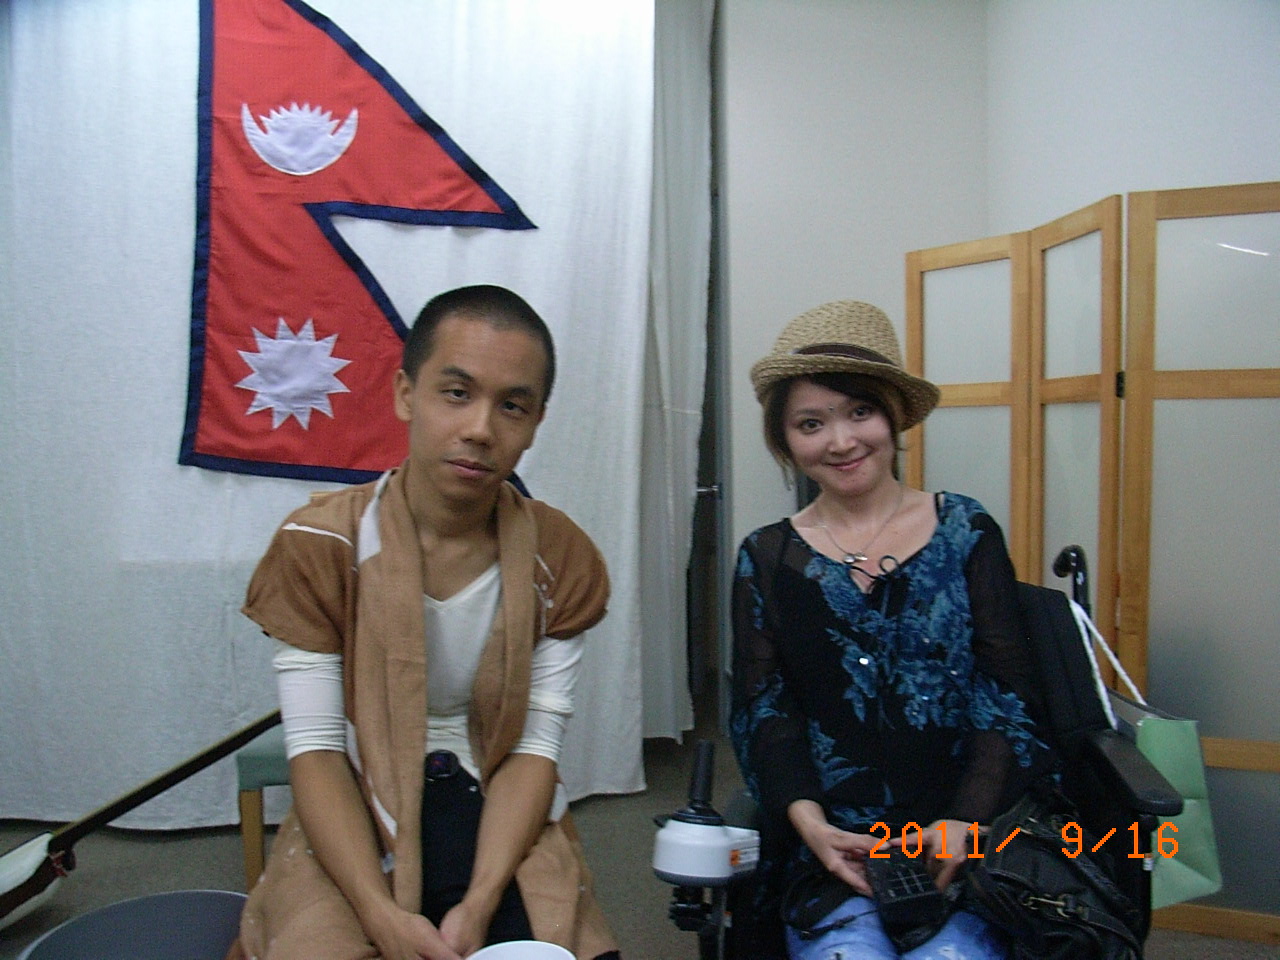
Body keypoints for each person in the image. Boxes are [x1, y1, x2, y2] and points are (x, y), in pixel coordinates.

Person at [228, 285, 619, 960]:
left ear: (536, 422)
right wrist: (379, 914)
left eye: (512, 406)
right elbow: (317, 749)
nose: (481, 429)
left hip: (497, 785)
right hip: (357, 784)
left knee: (555, 941)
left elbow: (533, 752)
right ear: (406, 394)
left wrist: (480, 901)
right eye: (456, 393)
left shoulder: (561, 557)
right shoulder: (321, 544)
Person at [729, 301, 1053, 960]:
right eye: (811, 423)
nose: (841, 442)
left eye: (859, 413)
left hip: (969, 839)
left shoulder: (965, 530)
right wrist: (809, 825)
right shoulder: (766, 556)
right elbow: (764, 709)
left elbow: (1007, 692)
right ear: (785, 440)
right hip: (831, 847)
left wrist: (966, 820)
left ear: (894, 416)